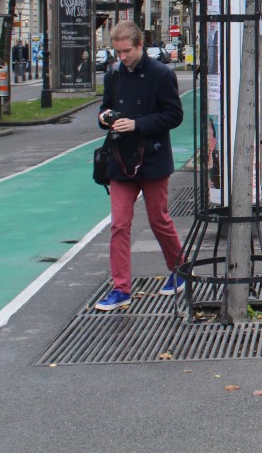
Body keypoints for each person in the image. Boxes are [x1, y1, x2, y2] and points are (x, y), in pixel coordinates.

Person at [95, 20, 185, 311]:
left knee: (158, 219)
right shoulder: (113, 75)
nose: (122, 57)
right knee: (119, 224)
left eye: (127, 51)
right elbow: (105, 107)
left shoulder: (161, 74)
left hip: (153, 157)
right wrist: (104, 117)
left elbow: (174, 115)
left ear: (140, 46)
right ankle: (121, 288)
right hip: (121, 158)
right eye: (118, 52)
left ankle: (180, 268)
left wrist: (138, 124)